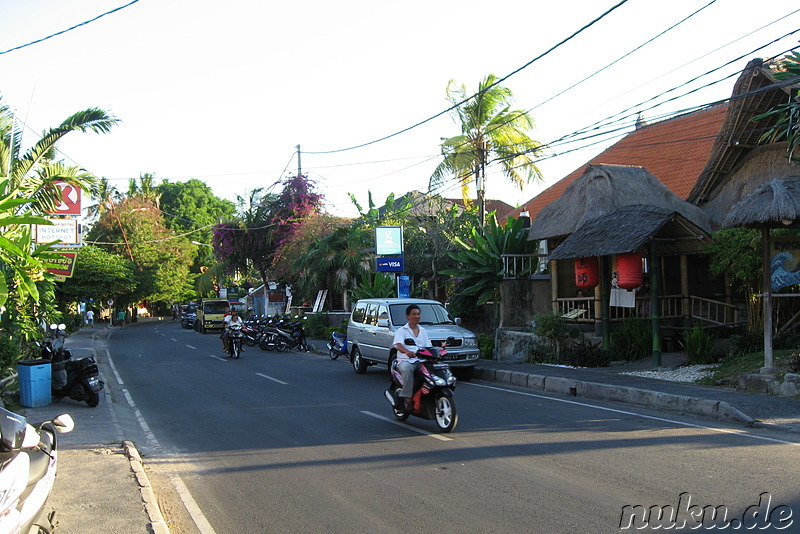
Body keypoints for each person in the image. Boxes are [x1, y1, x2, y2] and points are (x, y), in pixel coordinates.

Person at [392, 304, 432, 411]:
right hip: (406, 361)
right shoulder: (401, 331)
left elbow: (428, 347)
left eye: (418, 314)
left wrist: (439, 349)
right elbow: (399, 345)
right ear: (408, 316)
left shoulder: (423, 331)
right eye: (414, 314)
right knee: (407, 370)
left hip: (421, 360)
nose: (416, 316)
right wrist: (407, 352)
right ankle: (408, 399)